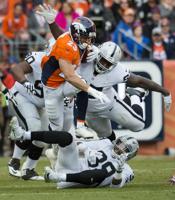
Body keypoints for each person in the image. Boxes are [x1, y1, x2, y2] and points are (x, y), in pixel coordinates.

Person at [36, 5, 109, 134]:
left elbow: (82, 53)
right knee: (56, 129)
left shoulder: (76, 41)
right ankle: (30, 137)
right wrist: (91, 90)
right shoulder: (67, 45)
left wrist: (96, 50)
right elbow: (70, 76)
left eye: (90, 38)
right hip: (52, 89)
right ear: (76, 34)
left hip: (63, 83)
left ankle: (80, 126)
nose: (88, 41)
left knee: (81, 84)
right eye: (86, 37)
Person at [9, 116, 139, 189]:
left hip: (75, 180)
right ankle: (23, 135)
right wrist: (87, 150)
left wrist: (119, 171)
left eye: (125, 149)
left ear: (130, 155)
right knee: (67, 138)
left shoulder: (127, 170)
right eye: (120, 144)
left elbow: (115, 187)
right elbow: (80, 145)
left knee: (102, 173)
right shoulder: (106, 143)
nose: (120, 149)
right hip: (72, 164)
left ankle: (56, 176)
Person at [7, 43, 74, 180]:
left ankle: (29, 169)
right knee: (34, 127)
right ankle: (15, 160)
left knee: (43, 136)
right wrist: (26, 83)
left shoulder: (67, 66)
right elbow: (16, 69)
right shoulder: (37, 59)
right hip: (23, 95)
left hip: (41, 103)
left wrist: (68, 97)